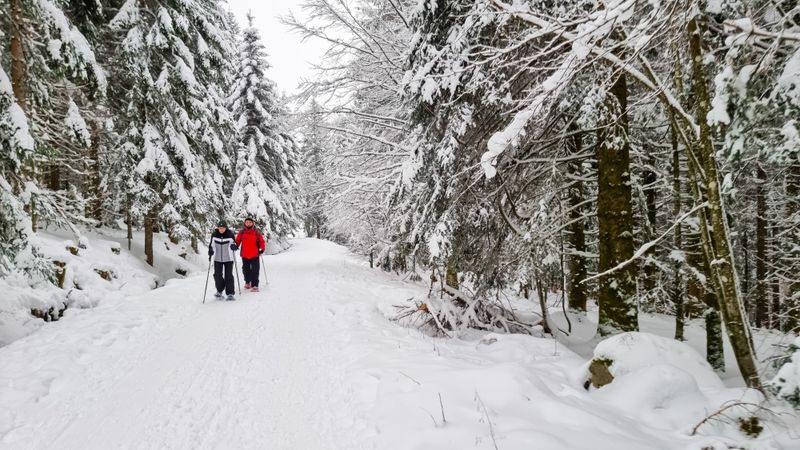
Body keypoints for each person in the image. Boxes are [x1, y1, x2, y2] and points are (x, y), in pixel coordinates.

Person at [208, 221, 238, 301]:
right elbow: (211, 245)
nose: (221, 230)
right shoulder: (214, 234)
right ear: (218, 228)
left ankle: (230, 294)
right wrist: (210, 251)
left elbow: (235, 244)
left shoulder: (230, 234)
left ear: (226, 228)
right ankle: (220, 290)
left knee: (228, 275)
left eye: (223, 228)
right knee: (217, 275)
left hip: (228, 258)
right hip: (217, 258)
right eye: (220, 228)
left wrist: (234, 247)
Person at [235, 217, 266, 292]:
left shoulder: (256, 232)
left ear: (252, 223)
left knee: (255, 270)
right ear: (245, 223)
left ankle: (255, 285)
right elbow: (237, 241)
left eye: (250, 222)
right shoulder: (242, 232)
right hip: (245, 254)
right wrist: (235, 246)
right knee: (245, 270)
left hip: (255, 254)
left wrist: (262, 248)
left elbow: (261, 241)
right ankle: (247, 282)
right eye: (247, 222)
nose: (248, 223)